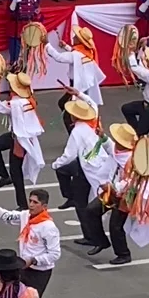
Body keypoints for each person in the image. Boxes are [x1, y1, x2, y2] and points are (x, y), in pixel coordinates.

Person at [51, 96, 108, 243]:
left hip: (89, 166)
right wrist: (78, 93)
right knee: (64, 172)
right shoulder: (90, 124)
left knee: (81, 203)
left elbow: (69, 155)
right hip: (95, 161)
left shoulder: (77, 131)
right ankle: (70, 196)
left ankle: (90, 236)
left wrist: (56, 164)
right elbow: (93, 103)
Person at [84, 122, 141, 264]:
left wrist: (113, 187)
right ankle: (101, 241)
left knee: (115, 225)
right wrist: (102, 136)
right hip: (110, 190)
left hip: (125, 195)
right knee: (91, 211)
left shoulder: (133, 160)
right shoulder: (118, 152)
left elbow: (131, 182)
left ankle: (124, 254)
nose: (115, 143)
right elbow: (109, 146)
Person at [0, 72, 45, 210]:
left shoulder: (15, 103)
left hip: (20, 139)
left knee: (16, 172)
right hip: (20, 136)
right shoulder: (29, 98)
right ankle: (3, 175)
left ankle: (22, 204)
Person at [46, 27, 105, 134]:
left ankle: (75, 137)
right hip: (85, 86)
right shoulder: (87, 52)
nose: (73, 37)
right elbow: (75, 54)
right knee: (63, 103)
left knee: (68, 116)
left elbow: (59, 57)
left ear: (79, 40)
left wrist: (47, 45)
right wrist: (66, 47)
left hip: (78, 87)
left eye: (75, 37)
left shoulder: (76, 54)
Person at [8, 0, 42, 65]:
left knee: (26, 59)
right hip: (16, 28)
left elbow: (38, 14)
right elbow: (9, 13)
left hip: (28, 29)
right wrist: (14, 2)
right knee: (14, 59)